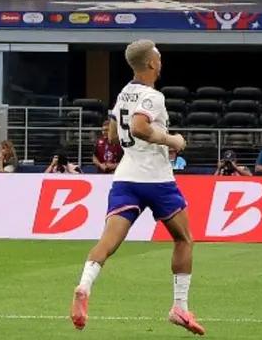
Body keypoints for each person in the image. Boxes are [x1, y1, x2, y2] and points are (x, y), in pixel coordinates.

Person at [71, 39, 203, 335]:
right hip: (156, 180)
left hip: (125, 177)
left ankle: (84, 285)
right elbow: (141, 127)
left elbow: (113, 135)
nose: (161, 60)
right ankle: (179, 306)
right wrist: (172, 141)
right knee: (184, 239)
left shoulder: (124, 94)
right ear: (152, 64)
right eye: (158, 56)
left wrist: (144, 138)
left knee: (107, 243)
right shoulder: (152, 96)